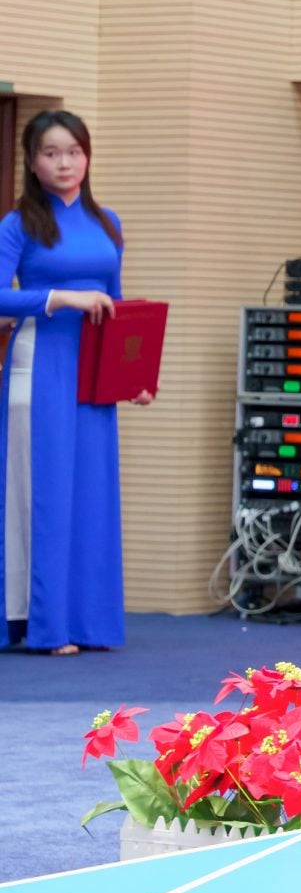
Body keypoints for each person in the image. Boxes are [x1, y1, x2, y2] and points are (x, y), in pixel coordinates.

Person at [0, 112, 148, 653]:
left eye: (74, 152)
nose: (64, 163)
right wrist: (60, 298)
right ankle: (42, 624)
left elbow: (118, 303)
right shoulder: (18, 224)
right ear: (32, 161)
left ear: (87, 156)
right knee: (45, 491)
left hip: (94, 370)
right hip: (40, 364)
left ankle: (86, 622)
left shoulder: (107, 221)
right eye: (51, 153)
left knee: (91, 492)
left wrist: (134, 377)